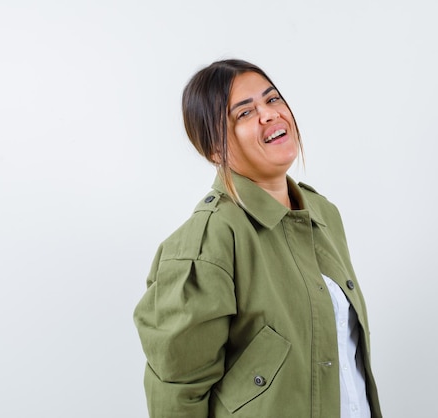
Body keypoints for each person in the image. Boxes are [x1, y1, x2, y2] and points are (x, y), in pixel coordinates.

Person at [133, 59, 382, 418]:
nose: (269, 115)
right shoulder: (208, 241)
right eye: (244, 114)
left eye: (273, 99)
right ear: (214, 150)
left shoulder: (322, 214)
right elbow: (177, 393)